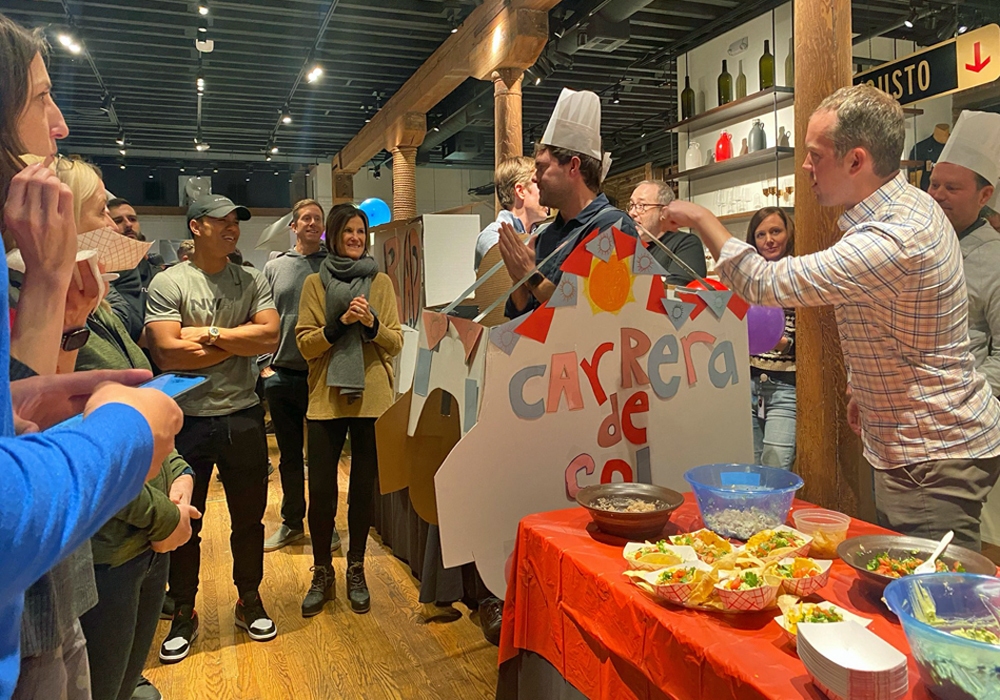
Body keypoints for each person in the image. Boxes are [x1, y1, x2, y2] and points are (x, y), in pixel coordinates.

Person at [665, 84, 1000, 551]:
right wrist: (864, 386)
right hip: (922, 442)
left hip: (932, 448)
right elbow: (897, 324)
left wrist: (700, 217)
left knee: (933, 594)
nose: (806, 168)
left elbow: (763, 282)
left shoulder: (896, 235)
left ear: (856, 161)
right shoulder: (906, 208)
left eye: (814, 155)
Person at [1, 15, 183, 698]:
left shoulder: (47, 283)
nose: (61, 125)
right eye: (40, 98)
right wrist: (129, 431)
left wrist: (60, 312)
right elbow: (9, 513)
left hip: (50, 598)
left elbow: (15, 427)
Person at [145, 194, 280, 662]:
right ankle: (184, 608)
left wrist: (206, 334)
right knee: (185, 521)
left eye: (235, 222)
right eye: (221, 221)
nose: (232, 228)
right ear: (196, 226)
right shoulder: (169, 281)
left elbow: (269, 336)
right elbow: (165, 351)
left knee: (249, 518)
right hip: (186, 420)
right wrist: (237, 341)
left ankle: (249, 597)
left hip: (243, 415)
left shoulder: (253, 279)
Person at [295, 204, 402, 616]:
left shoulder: (381, 283)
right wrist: (339, 324)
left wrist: (372, 323)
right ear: (334, 237)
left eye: (361, 231)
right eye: (349, 232)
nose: (356, 238)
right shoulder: (313, 285)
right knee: (320, 491)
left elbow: (394, 342)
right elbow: (306, 345)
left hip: (372, 398)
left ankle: (355, 566)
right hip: (325, 398)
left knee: (362, 489)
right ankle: (322, 570)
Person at [499, 88, 638, 320]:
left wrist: (530, 275)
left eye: (542, 167)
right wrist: (519, 277)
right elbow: (522, 315)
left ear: (573, 167)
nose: (534, 177)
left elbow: (595, 315)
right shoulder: (547, 234)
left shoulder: (614, 227)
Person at [262, 199, 338, 552]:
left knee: (325, 460)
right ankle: (292, 523)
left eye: (317, 219)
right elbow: (261, 314)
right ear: (293, 226)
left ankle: (326, 526)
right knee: (290, 458)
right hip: (283, 374)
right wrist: (264, 364)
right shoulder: (275, 267)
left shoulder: (334, 265)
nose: (311, 223)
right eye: (305, 218)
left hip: (323, 374)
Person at [928, 111, 1000, 396]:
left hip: (966, 415)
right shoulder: (921, 243)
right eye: (934, 184)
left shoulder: (994, 258)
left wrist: (961, 396)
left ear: (984, 196)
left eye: (952, 188)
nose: (937, 195)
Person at [745, 207, 797, 470]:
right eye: (761, 234)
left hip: (785, 388)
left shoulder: (799, 275)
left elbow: (815, 338)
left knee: (775, 470)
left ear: (789, 233)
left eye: (776, 231)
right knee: (750, 470)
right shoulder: (748, 280)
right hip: (747, 385)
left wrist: (784, 342)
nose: (769, 240)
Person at [474, 157, 549, 271]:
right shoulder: (492, 236)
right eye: (540, 185)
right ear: (520, 191)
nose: (546, 193)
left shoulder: (543, 235)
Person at [627, 179, 706, 285]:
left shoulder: (685, 244)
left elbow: (677, 291)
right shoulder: (628, 247)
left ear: (663, 212)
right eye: (631, 205)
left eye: (641, 206)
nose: (632, 213)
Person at [106, 198, 161, 342]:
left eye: (132, 219)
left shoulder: (158, 273)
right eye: (118, 220)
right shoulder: (102, 275)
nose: (128, 224)